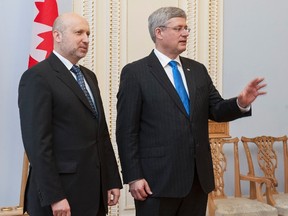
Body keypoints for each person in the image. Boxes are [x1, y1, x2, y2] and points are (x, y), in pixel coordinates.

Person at [116, 6, 266, 216]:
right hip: (156, 182)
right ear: (159, 32)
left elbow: (217, 110)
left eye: (186, 28)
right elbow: (126, 131)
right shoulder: (135, 73)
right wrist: (133, 176)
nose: (185, 33)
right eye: (178, 28)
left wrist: (240, 102)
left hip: (197, 180)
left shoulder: (197, 70)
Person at [18, 13, 122, 216]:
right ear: (57, 36)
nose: (86, 39)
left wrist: (111, 179)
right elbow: (37, 145)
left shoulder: (89, 77)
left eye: (88, 33)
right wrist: (55, 196)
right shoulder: (37, 77)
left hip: (94, 193)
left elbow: (100, 133)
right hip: (60, 196)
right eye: (78, 33)